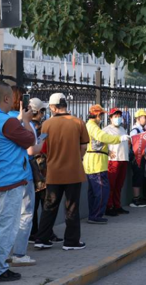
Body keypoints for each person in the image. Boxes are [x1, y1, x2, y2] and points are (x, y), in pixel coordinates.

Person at [0, 81, 37, 282]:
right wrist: (27, 120)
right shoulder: (8, 122)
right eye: (12, 98)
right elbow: (30, 140)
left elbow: (7, 136)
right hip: (10, 181)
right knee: (7, 227)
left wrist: (20, 119)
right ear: (6, 98)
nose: (14, 101)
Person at [34, 93, 90, 251]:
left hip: (53, 172)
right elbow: (84, 147)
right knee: (71, 206)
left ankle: (42, 239)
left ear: (52, 107)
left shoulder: (46, 125)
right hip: (74, 172)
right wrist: (77, 159)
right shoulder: (78, 122)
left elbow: (42, 147)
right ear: (65, 104)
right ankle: (71, 241)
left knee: (49, 206)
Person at [7, 89, 39, 267]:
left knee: (5, 216)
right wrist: (40, 143)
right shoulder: (25, 122)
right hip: (23, 175)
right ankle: (19, 253)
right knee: (25, 214)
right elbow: (32, 149)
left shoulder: (3, 121)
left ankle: (2, 253)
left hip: (5, 176)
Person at [84, 105, 130, 224]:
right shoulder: (93, 127)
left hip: (95, 162)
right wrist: (119, 139)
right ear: (98, 115)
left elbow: (97, 143)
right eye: (102, 115)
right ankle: (96, 215)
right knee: (102, 190)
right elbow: (102, 137)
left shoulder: (92, 126)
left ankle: (93, 215)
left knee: (95, 192)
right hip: (96, 163)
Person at [28, 98, 61, 245]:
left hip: (30, 171)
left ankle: (33, 232)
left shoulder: (25, 125)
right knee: (46, 204)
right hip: (41, 171)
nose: (43, 114)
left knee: (32, 205)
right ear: (39, 112)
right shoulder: (41, 128)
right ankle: (45, 233)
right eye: (43, 111)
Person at [104, 108, 130, 217]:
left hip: (123, 159)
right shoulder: (106, 130)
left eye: (119, 116)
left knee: (119, 185)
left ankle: (117, 205)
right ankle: (108, 206)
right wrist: (108, 152)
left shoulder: (123, 129)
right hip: (113, 160)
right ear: (110, 118)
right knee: (111, 185)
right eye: (115, 116)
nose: (118, 118)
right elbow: (101, 143)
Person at [129, 109, 146, 207]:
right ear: (138, 118)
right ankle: (135, 199)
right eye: (144, 117)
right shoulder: (135, 130)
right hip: (136, 158)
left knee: (140, 176)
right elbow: (134, 144)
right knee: (137, 177)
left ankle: (138, 197)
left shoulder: (142, 129)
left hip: (141, 157)